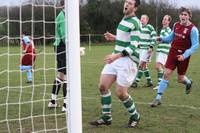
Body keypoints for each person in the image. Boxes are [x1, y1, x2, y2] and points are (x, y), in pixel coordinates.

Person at [90, 0, 141, 128]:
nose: (126, 4)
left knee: (121, 93)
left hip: (128, 61)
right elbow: (125, 39)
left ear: (135, 8)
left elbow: (133, 45)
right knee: (103, 86)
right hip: (116, 57)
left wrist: (116, 56)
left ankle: (135, 116)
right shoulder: (124, 19)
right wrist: (114, 37)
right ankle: (106, 117)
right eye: (126, 2)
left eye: (130, 3)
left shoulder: (136, 22)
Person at [150, 7, 199, 107]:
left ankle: (188, 82)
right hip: (172, 52)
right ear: (179, 15)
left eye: (185, 15)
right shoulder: (176, 25)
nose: (183, 16)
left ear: (189, 16)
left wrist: (184, 55)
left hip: (183, 55)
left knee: (180, 79)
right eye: (182, 14)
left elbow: (195, 45)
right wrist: (161, 39)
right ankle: (158, 98)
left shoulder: (193, 29)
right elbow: (170, 38)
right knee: (166, 73)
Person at [48, 0, 67, 112]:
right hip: (62, 46)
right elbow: (65, 36)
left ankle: (53, 101)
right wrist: (74, 49)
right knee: (67, 76)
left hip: (59, 46)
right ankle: (66, 105)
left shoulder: (62, 15)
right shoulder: (63, 16)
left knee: (60, 75)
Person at [131, 14, 157, 88]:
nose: (141, 20)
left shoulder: (149, 27)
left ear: (147, 20)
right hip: (140, 49)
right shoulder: (139, 28)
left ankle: (135, 82)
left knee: (141, 65)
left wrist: (151, 47)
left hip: (147, 49)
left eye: (143, 18)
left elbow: (154, 36)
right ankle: (149, 82)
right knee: (144, 66)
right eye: (141, 18)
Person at [153, 15, 172, 90]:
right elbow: (161, 40)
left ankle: (160, 84)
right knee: (163, 68)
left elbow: (167, 39)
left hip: (164, 50)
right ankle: (165, 82)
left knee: (158, 66)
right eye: (163, 19)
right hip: (160, 50)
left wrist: (158, 38)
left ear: (168, 21)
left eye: (166, 19)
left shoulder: (168, 30)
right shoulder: (162, 30)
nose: (164, 20)